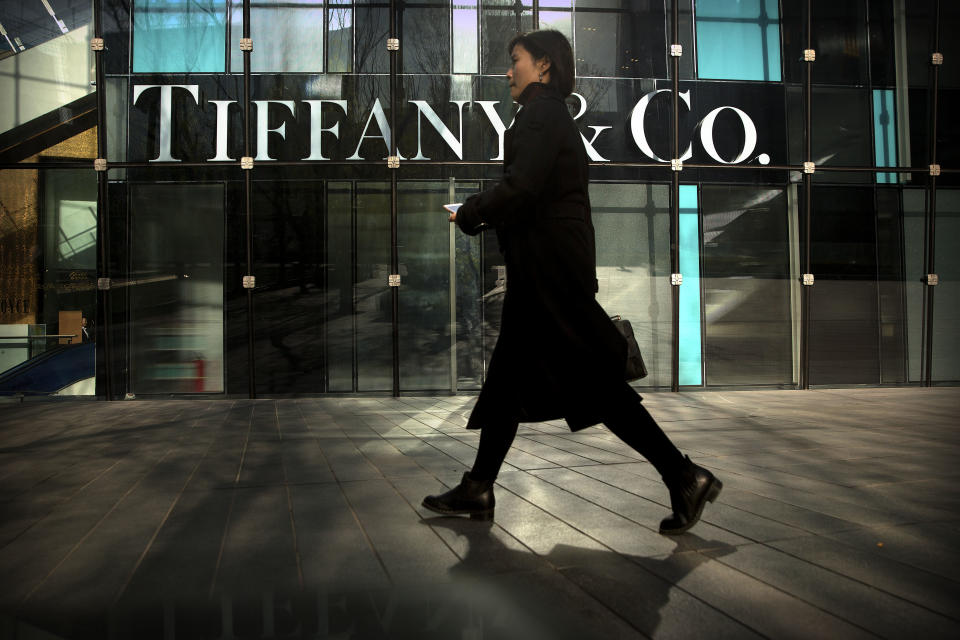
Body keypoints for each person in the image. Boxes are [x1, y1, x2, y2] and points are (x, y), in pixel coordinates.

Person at [422, 30, 722, 535]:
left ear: (543, 66)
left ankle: (683, 474)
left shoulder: (542, 114)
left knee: (593, 386)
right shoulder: (546, 115)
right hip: (547, 272)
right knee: (509, 379)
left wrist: (471, 213)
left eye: (514, 60)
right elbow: (532, 194)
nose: (507, 71)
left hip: (550, 277)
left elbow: (521, 187)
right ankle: (479, 486)